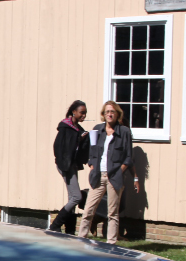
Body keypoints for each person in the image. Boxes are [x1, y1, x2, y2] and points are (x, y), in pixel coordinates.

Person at [77, 101, 138, 246]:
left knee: (112, 213)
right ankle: (80, 240)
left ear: (117, 114)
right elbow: (92, 151)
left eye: (112, 112)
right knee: (88, 210)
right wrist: (92, 165)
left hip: (114, 177)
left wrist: (120, 171)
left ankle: (111, 243)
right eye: (107, 112)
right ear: (103, 114)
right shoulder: (97, 130)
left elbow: (128, 156)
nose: (109, 114)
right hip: (98, 175)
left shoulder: (124, 132)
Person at [50, 100, 90, 233]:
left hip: (72, 165)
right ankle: (55, 225)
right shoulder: (65, 127)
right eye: (81, 113)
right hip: (65, 165)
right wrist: (62, 164)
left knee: (71, 197)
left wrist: (83, 139)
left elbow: (77, 147)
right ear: (74, 112)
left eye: (85, 113)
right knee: (77, 197)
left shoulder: (78, 129)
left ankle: (70, 230)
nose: (84, 115)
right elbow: (59, 147)